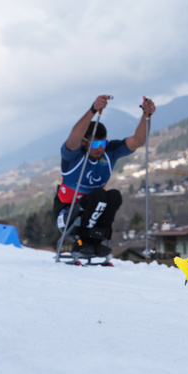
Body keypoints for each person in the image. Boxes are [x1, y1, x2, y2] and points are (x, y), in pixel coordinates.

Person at [53, 94, 156, 257]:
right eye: (95, 143)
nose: (100, 148)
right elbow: (73, 139)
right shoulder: (73, 156)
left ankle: (96, 241)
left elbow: (137, 141)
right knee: (98, 195)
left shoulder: (109, 152)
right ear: (84, 142)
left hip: (94, 207)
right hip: (67, 213)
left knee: (114, 196)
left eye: (103, 143)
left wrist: (146, 115)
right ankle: (81, 243)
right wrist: (93, 110)